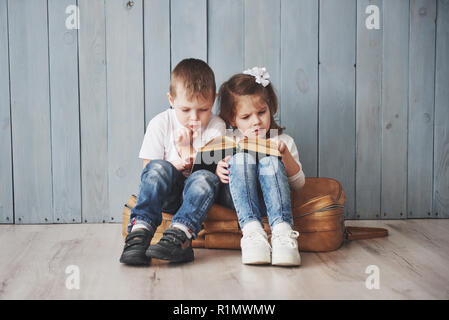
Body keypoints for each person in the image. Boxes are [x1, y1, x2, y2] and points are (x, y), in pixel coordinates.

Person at [120, 58, 226, 266]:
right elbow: (149, 171)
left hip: (199, 197)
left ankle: (180, 237)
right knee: (159, 167)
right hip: (168, 195)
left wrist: (188, 149)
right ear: (171, 99)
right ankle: (140, 231)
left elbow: (212, 172)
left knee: (204, 176)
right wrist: (177, 165)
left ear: (213, 100)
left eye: (203, 109)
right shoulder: (161, 124)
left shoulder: (216, 126)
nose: (194, 117)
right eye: (185, 110)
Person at [215, 67, 305, 266]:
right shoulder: (228, 141)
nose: (256, 121)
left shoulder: (282, 140)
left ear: (270, 108)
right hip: (238, 202)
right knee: (241, 158)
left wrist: (285, 157)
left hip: (273, 201)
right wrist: (218, 170)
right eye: (246, 117)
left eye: (261, 112)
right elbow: (215, 178)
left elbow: (299, 184)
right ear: (232, 119)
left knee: (270, 160)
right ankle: (252, 233)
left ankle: (282, 233)